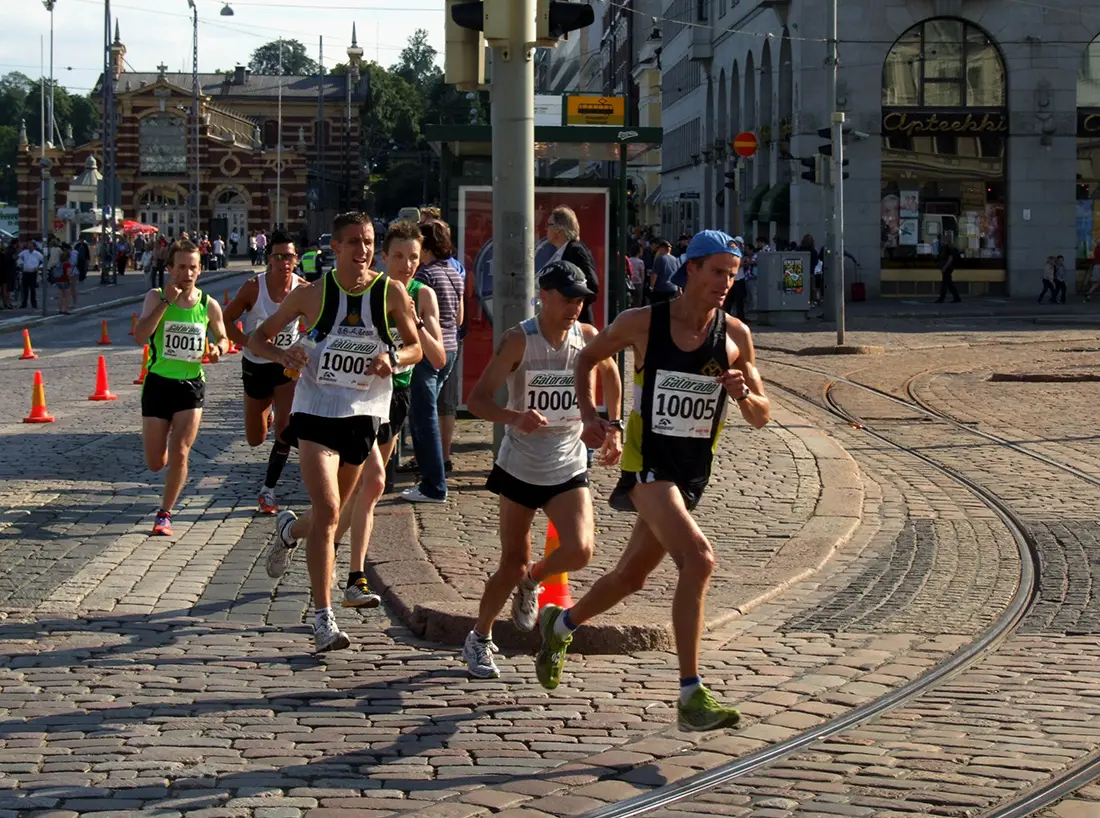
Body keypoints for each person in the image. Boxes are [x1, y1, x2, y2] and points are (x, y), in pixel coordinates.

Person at [535, 229, 771, 732]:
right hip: (646, 466)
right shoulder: (642, 322)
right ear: (691, 269)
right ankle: (690, 693)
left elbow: (761, 415)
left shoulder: (735, 336)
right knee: (700, 558)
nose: (725, 283)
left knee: (630, 578)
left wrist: (744, 395)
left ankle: (562, 623)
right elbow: (587, 359)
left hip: (689, 474)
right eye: (716, 272)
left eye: (732, 274)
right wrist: (593, 417)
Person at [249, 211, 422, 653]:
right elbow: (257, 338)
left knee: (334, 513)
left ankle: (290, 531)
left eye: (367, 241)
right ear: (335, 248)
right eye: (353, 242)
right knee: (328, 510)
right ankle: (322, 616)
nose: (362, 250)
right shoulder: (311, 295)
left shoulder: (391, 293)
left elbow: (416, 347)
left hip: (364, 413)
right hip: (316, 412)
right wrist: (284, 356)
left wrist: (395, 359)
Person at [462, 260, 623, 679]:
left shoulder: (586, 338)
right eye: (568, 299)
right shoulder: (519, 340)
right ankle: (480, 636)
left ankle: (534, 580)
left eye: (582, 300)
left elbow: (611, 371)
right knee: (511, 561)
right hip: (520, 465)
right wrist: (514, 416)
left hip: (567, 461)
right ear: (545, 296)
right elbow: (478, 400)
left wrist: (615, 425)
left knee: (581, 550)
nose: (576, 307)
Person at [133, 239, 231, 537]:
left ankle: (165, 514)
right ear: (170, 269)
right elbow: (140, 336)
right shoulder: (156, 296)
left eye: (192, 268)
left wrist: (218, 348)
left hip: (190, 386)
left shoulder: (208, 304)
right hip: (158, 384)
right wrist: (166, 302)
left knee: (181, 453)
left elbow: (224, 338)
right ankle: (162, 473)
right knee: (155, 462)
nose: (187, 273)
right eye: (181, 267)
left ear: (200, 270)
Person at [224, 229, 307, 514]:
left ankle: (268, 491)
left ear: (296, 259)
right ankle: (266, 414)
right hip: (255, 366)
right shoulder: (252, 288)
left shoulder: (302, 289)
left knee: (285, 429)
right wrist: (249, 342)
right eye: (278, 256)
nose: (284, 262)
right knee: (255, 438)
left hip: (285, 367)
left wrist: (303, 347)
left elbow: (319, 324)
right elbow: (225, 319)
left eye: (289, 256)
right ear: (269, 259)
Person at [401, 220, 464, 504]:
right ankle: (431, 475)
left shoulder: (424, 278)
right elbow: (460, 317)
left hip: (427, 352)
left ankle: (433, 484)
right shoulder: (453, 271)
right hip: (450, 348)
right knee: (433, 413)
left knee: (423, 419)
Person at [545, 206, 600, 325]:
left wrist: (573, 303)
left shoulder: (574, 250)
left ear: (558, 229)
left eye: (549, 225)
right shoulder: (564, 251)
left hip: (578, 321)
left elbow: (592, 284)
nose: (546, 229)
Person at [649, 238, 681, 306]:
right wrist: (679, 289)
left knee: (659, 309)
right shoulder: (675, 259)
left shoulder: (660, 259)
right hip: (673, 289)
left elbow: (654, 275)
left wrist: (651, 287)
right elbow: (678, 275)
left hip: (661, 289)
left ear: (661, 248)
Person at [18, 239, 43, 309]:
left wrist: (39, 267)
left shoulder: (37, 254)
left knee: (32, 289)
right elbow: (19, 257)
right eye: (29, 245)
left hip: (33, 272)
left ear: (34, 247)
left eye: (31, 246)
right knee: (25, 289)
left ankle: (34, 303)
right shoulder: (24, 252)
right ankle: (24, 303)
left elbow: (44, 260)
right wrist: (20, 264)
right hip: (26, 272)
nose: (29, 247)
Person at [936, 239, 962, 303]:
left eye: (942, 241)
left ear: (946, 241)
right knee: (949, 284)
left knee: (945, 284)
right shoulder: (945, 248)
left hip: (948, 268)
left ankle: (942, 298)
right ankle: (956, 298)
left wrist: (945, 267)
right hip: (947, 268)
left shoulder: (948, 248)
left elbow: (950, 259)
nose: (941, 242)